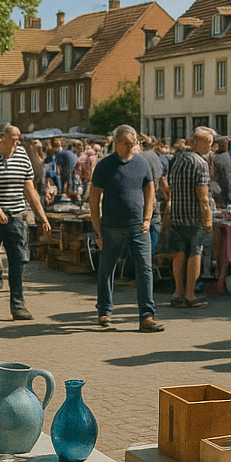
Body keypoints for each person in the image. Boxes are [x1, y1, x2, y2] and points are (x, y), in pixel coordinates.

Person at [0, 124, 50, 320]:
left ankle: (18, 305)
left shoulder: (23, 158)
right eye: (12, 139)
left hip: (17, 216)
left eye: (17, 139)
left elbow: (29, 189)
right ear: (2, 138)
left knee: (17, 260)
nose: (15, 143)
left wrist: (42, 215)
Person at [89, 125, 164, 332]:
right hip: (111, 227)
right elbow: (94, 198)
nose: (131, 147)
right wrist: (97, 230)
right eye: (126, 143)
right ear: (117, 143)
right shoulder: (105, 165)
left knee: (145, 269)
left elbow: (150, 188)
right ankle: (104, 311)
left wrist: (147, 218)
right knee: (107, 269)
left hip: (138, 226)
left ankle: (147, 316)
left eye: (133, 143)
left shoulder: (141, 162)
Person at [168, 126, 214, 309]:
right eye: (207, 142)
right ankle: (190, 294)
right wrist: (208, 218)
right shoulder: (200, 163)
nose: (210, 146)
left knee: (179, 254)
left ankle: (177, 293)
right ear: (195, 141)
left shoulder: (178, 160)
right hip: (194, 217)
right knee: (195, 253)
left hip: (177, 214)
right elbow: (203, 196)